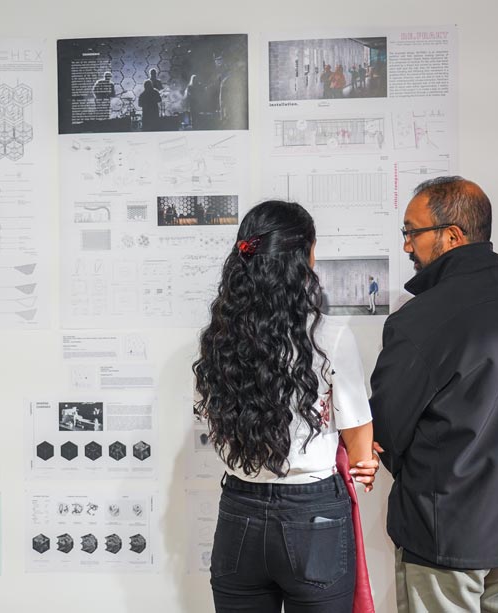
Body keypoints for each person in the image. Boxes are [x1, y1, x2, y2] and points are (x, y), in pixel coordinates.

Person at [369, 177, 498, 612]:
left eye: (411, 231)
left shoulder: (421, 320)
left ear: (452, 236)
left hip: (446, 534)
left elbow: (386, 427)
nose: (407, 246)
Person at [193, 200, 378, 613]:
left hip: (238, 513)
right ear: (303, 258)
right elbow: (362, 450)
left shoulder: (218, 339)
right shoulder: (328, 336)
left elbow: (213, 420)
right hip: (313, 516)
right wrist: (358, 452)